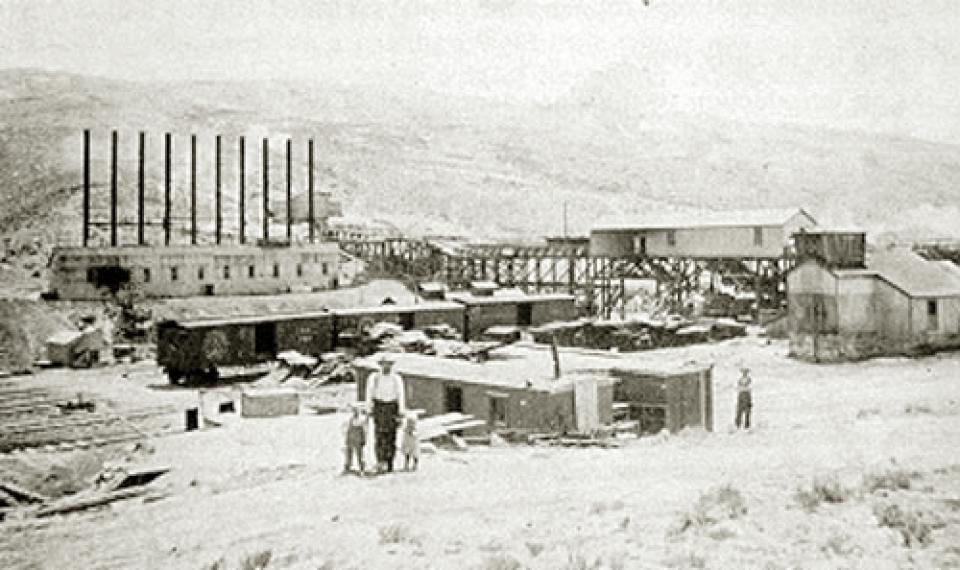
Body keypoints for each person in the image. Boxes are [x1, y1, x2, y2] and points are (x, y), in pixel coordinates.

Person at [365, 354, 406, 473]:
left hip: (392, 407)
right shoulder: (374, 377)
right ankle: (380, 461)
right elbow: (369, 393)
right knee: (379, 435)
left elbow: (400, 395)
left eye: (389, 364)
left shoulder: (396, 378)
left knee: (391, 436)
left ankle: (389, 462)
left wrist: (401, 411)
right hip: (379, 407)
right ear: (380, 365)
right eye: (384, 364)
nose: (387, 367)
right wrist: (369, 409)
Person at [342, 403, 368, 475]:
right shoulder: (348, 419)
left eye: (355, 411)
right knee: (349, 452)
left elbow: (365, 429)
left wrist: (364, 438)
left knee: (359, 454)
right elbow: (344, 429)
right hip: (350, 437)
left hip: (358, 437)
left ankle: (361, 467)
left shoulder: (361, 420)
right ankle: (347, 466)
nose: (354, 413)